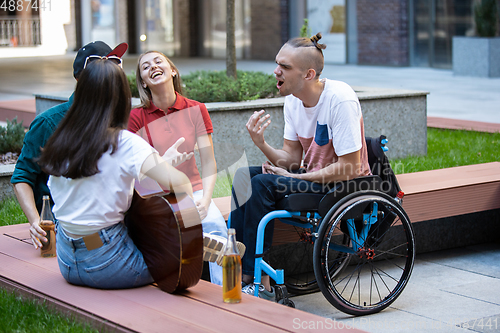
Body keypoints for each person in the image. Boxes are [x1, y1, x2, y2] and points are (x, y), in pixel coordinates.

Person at [230, 33, 371, 300]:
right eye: (277, 64)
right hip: (312, 178)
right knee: (242, 178)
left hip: (343, 186)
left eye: (284, 66)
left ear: (308, 74)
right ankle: (240, 269)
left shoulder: (340, 99)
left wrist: (295, 177)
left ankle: (256, 279)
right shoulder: (293, 100)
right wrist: (261, 143)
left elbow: (350, 168)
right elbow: (292, 160)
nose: (276, 71)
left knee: (261, 184)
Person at [37, 59, 194, 289]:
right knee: (178, 263)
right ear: (120, 99)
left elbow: (95, 186)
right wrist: (188, 231)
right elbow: (182, 184)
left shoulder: (61, 139)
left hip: (67, 259)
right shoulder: (125, 143)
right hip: (106, 263)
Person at [128, 51, 243, 286]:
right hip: (154, 196)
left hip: (192, 192)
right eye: (145, 67)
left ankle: (227, 292)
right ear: (143, 82)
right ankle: (192, 243)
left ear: (173, 70)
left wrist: (206, 199)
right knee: (173, 231)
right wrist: (162, 162)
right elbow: (133, 171)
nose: (153, 67)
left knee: (216, 226)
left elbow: (209, 161)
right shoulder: (135, 117)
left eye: (158, 61)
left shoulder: (196, 109)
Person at [11, 41, 128, 250]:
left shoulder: (118, 120)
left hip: (110, 221)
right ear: (80, 79)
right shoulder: (49, 123)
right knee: (99, 250)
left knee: (164, 242)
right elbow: (22, 177)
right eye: (102, 69)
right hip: (70, 229)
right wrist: (35, 222)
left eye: (114, 66)